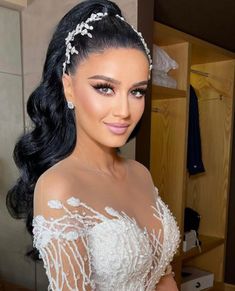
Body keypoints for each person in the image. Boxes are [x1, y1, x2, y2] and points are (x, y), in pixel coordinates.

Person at [7, 0, 181, 290]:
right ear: (68, 87)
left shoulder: (141, 173)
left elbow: (164, 277)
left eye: (137, 91)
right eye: (105, 88)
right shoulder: (60, 187)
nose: (124, 110)